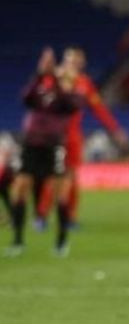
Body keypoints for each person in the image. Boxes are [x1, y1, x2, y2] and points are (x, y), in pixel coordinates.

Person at [35, 47, 129, 230]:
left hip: (73, 137)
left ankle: (69, 218)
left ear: (82, 63)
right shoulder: (52, 79)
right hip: (53, 135)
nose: (73, 63)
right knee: (52, 177)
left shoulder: (85, 83)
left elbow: (99, 108)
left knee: (71, 179)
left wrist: (115, 130)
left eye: (77, 60)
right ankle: (41, 216)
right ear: (64, 60)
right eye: (70, 59)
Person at [6, 48, 83, 257]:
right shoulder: (42, 91)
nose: (64, 78)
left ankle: (61, 242)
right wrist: (41, 74)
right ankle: (18, 241)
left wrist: (55, 80)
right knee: (19, 188)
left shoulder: (74, 96)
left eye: (68, 77)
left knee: (60, 192)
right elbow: (26, 98)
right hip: (31, 144)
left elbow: (66, 104)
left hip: (54, 146)